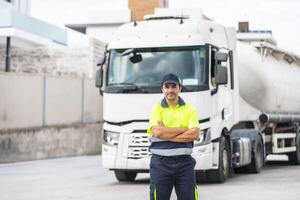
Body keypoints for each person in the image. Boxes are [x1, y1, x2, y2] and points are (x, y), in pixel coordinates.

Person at [147, 73, 200, 200]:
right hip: (161, 164)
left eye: (174, 86)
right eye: (167, 87)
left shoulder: (190, 110)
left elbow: (195, 134)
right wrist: (183, 130)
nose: (170, 90)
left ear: (179, 88)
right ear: (162, 89)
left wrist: (165, 133)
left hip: (185, 164)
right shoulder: (156, 109)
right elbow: (158, 132)